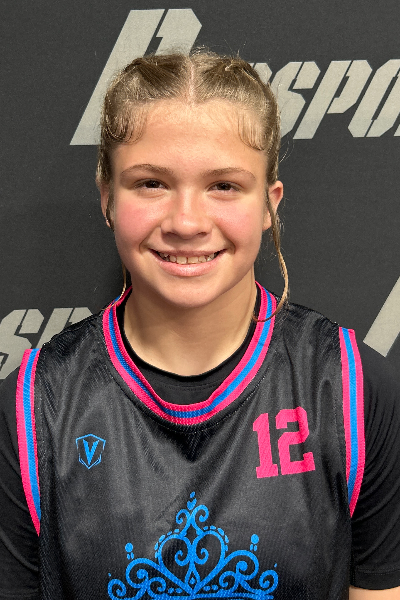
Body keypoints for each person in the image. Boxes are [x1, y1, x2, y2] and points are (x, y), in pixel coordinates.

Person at [0, 51, 399, 600]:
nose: (186, 222)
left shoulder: (353, 391)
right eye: (150, 183)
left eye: (224, 186)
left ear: (269, 205)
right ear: (107, 197)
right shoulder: (32, 408)